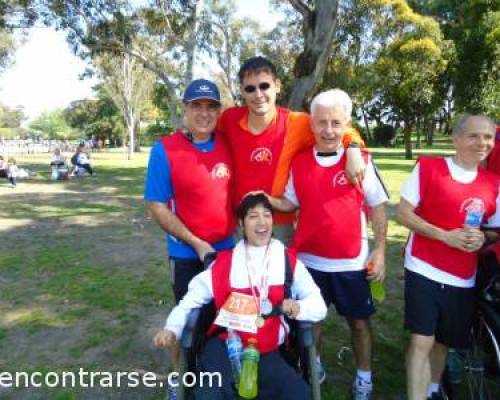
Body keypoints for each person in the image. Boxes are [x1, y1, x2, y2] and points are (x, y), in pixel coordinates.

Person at [266, 89, 389, 400]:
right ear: (312, 124)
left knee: (359, 325)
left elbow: (377, 206)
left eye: (336, 122)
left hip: (352, 263)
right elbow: (290, 201)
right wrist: (266, 200)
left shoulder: (360, 161)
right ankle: (314, 366)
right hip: (310, 263)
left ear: (346, 123)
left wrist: (381, 251)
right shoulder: (300, 162)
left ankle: (364, 378)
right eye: (322, 122)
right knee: (312, 323)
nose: (328, 130)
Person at [154, 193, 327, 399]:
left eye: (267, 215)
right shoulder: (225, 263)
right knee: (211, 393)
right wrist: (171, 329)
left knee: (297, 394)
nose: (262, 222)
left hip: (268, 349)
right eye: (253, 216)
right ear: (241, 224)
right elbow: (189, 302)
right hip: (227, 345)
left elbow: (319, 306)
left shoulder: (288, 262)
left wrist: (300, 307)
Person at [397, 115, 500, 400]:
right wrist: (444, 236)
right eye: (474, 136)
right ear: (456, 139)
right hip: (423, 266)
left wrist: (483, 237)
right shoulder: (429, 168)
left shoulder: (494, 183)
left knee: (443, 342)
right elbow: (403, 214)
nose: (482, 143)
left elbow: (493, 230)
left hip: (462, 275)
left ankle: (432, 390)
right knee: (422, 340)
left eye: (488, 137)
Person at [145, 79, 235, 399]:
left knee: (225, 320)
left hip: (227, 253)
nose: (204, 113)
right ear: (184, 109)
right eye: (196, 105)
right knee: (184, 319)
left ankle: (217, 376)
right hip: (186, 254)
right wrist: (196, 242)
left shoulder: (228, 142)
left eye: (211, 106)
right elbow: (156, 205)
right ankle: (177, 379)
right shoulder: (165, 149)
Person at [217, 56, 367, 243]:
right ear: (242, 91)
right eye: (250, 88)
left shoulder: (298, 123)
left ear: (277, 86)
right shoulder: (229, 119)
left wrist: (353, 150)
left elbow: (340, 130)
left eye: (264, 86)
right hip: (241, 223)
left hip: (281, 224)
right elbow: (204, 131)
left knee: (281, 272)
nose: (258, 94)